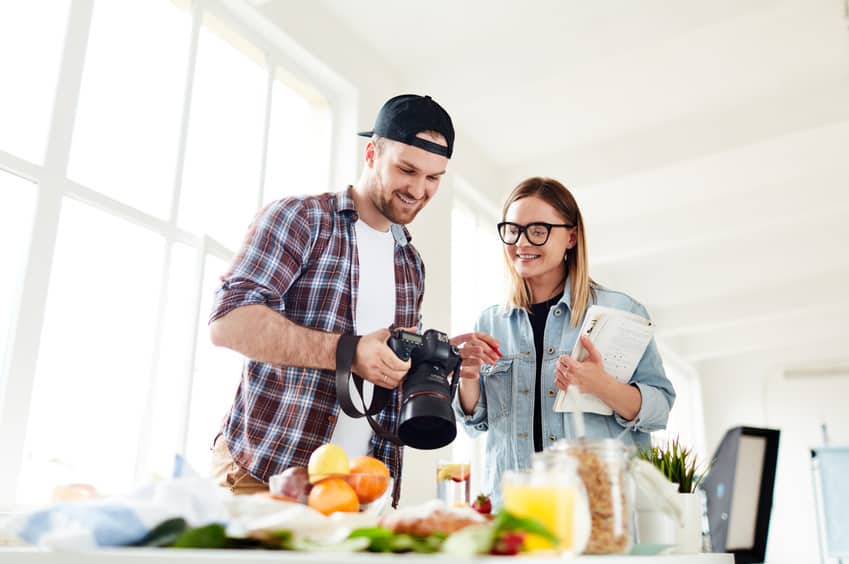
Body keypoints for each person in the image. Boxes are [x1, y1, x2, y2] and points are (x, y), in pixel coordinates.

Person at [208, 94, 474, 504]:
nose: (418, 189)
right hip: (266, 475)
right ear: (372, 153)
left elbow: (384, 365)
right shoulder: (301, 219)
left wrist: (433, 361)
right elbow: (229, 322)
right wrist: (349, 352)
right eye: (406, 169)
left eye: (433, 178)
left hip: (359, 493)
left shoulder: (411, 262)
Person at [455, 177, 676, 506]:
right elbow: (476, 421)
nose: (522, 243)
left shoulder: (619, 311)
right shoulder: (490, 322)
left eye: (538, 230)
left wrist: (602, 386)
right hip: (516, 510)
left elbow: (660, 409)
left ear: (571, 237)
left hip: (599, 512)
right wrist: (467, 376)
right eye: (512, 230)